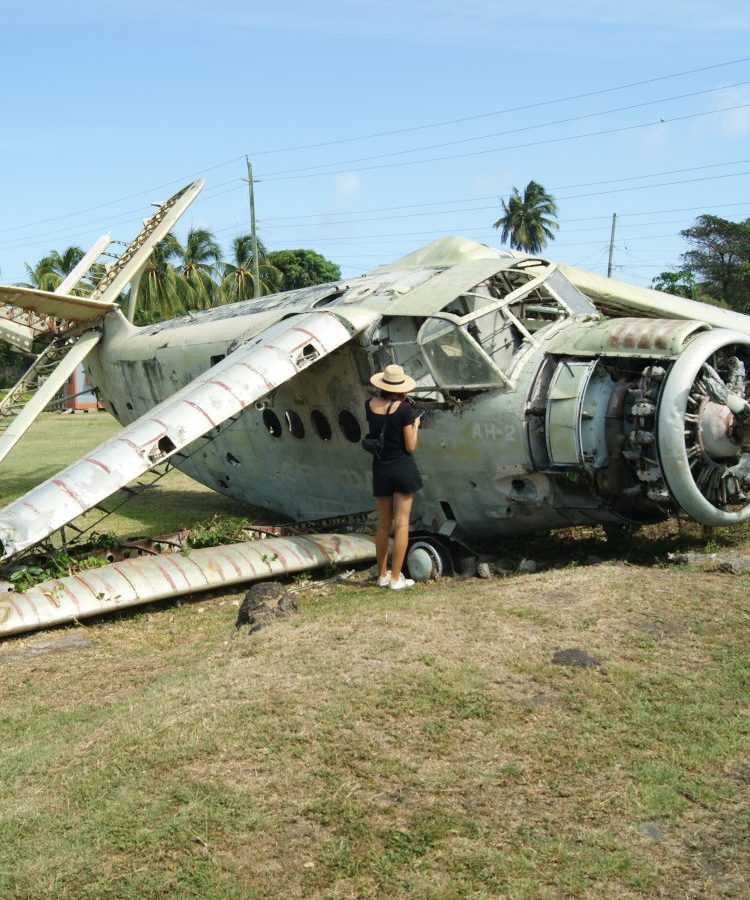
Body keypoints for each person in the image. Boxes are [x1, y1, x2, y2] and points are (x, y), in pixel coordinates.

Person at [364, 364, 424, 590]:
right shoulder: (404, 409)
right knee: (401, 524)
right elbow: (410, 447)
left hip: (380, 468)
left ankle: (382, 575)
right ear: (401, 387)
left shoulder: (369, 405)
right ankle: (396, 578)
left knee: (383, 525)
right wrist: (415, 425)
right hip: (402, 468)